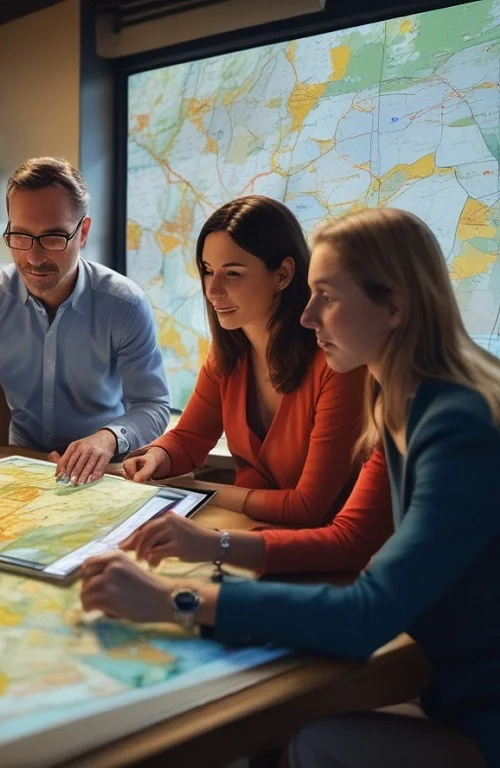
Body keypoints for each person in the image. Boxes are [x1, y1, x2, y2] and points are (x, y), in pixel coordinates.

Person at [81, 208, 500, 768]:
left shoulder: (455, 423)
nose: (306, 317)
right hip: (447, 689)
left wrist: (174, 600)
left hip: (479, 716)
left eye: (325, 295)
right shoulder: (401, 398)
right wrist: (214, 544)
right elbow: (351, 538)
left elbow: (364, 616)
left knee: (307, 742)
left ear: (394, 306)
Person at [122, 196, 367, 528]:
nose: (212, 290)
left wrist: (193, 489)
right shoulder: (228, 356)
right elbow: (188, 438)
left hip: (325, 555)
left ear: (282, 275)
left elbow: (307, 507)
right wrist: (157, 458)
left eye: (232, 274)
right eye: (207, 271)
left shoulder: (336, 366)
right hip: (251, 531)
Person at [0, 157, 171, 484]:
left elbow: (152, 405)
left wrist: (107, 438)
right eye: (21, 236)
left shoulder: (124, 304)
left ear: (83, 232)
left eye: (53, 238)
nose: (34, 257)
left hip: (103, 469)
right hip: (25, 464)